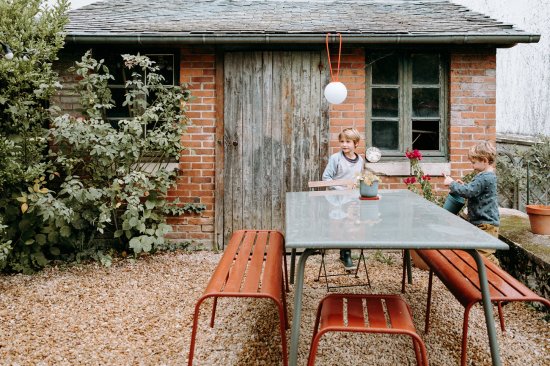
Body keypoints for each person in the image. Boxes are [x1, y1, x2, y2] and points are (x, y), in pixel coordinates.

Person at [443, 141, 500, 265]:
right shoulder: (486, 175)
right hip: (481, 223)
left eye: (474, 162)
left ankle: (498, 275)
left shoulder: (485, 177)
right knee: (479, 254)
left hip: (486, 225)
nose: (472, 166)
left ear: (484, 160)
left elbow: (469, 192)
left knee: (484, 256)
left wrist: (452, 184)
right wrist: (462, 186)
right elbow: (474, 191)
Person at [322, 127, 365, 270]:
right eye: (342, 141)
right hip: (337, 199)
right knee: (341, 225)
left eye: (348, 142)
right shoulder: (336, 158)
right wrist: (341, 189)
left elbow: (358, 179)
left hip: (353, 200)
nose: (344, 144)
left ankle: (346, 253)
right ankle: (344, 252)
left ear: (356, 143)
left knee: (351, 224)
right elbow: (326, 177)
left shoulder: (360, 160)